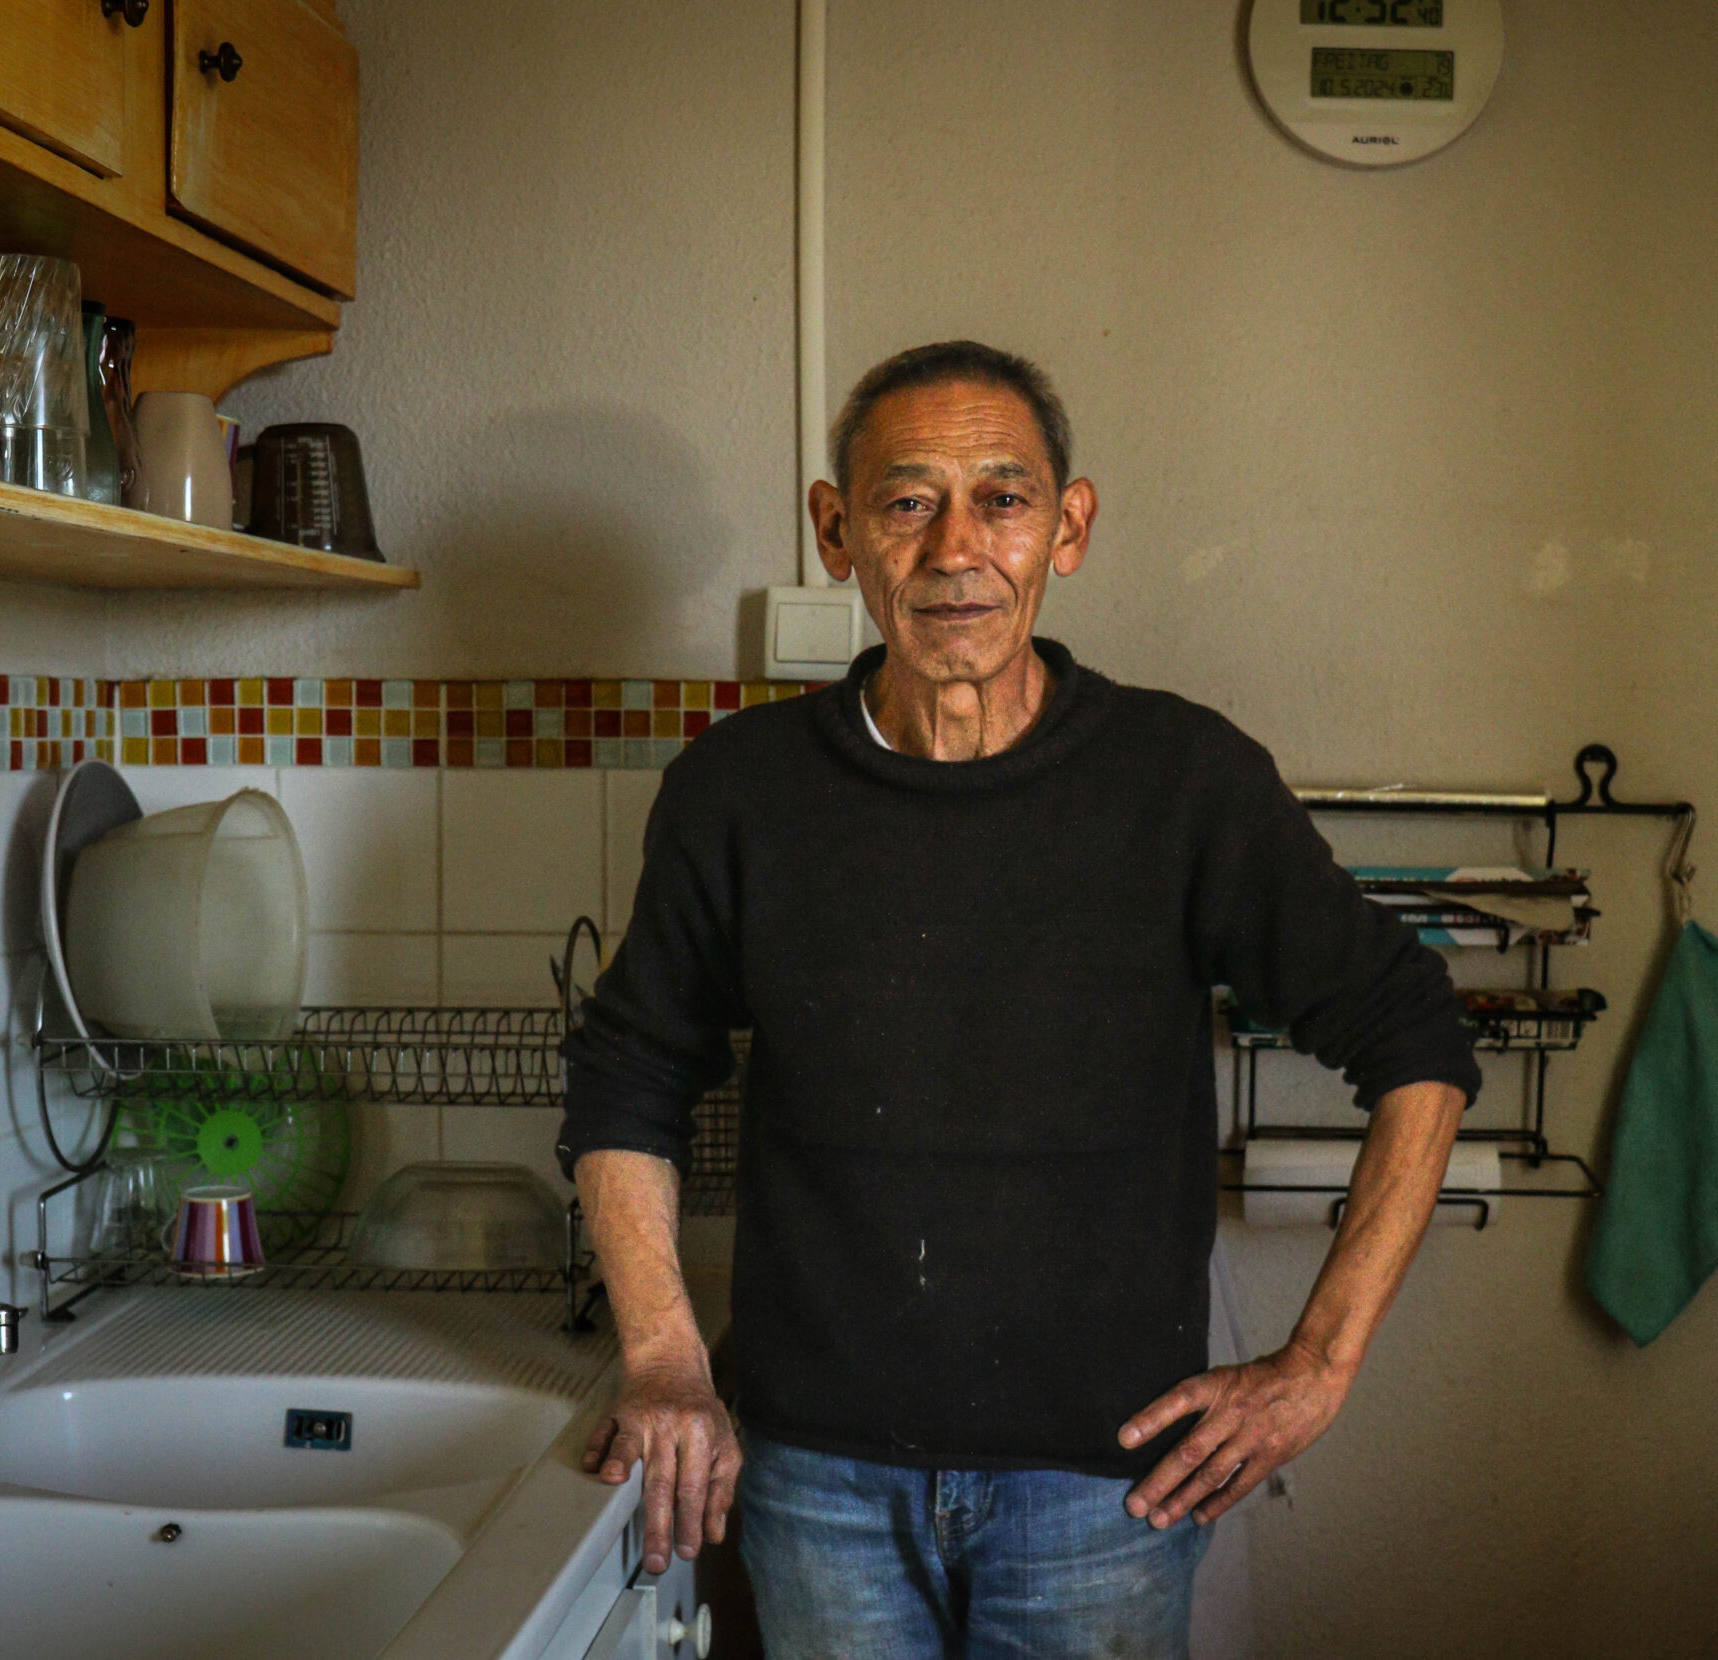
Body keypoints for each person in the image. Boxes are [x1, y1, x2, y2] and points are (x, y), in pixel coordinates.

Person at [558, 340, 1480, 1660]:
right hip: (816, 1479)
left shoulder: (1179, 779)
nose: (955, 549)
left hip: (1108, 1480)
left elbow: (1413, 1038)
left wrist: (1315, 1368)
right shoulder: (738, 793)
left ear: (1070, 527)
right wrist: (662, 1359)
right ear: (835, 531)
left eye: (1001, 496)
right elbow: (629, 1074)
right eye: (904, 499)